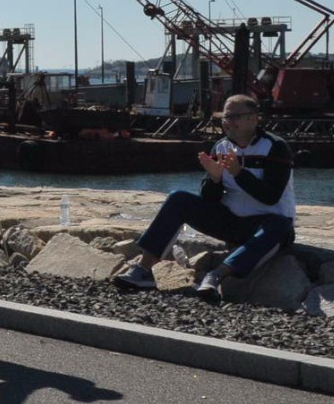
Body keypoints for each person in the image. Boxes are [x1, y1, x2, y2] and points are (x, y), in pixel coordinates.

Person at [112, 93, 295, 302]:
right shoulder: (221, 147)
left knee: (280, 226)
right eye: (225, 117)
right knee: (178, 199)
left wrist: (239, 173)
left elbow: (270, 197)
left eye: (234, 117)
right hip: (232, 222)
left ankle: (215, 276)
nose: (228, 122)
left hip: (266, 224)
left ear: (253, 118)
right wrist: (214, 179)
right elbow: (210, 200)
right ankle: (143, 269)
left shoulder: (275, 147)